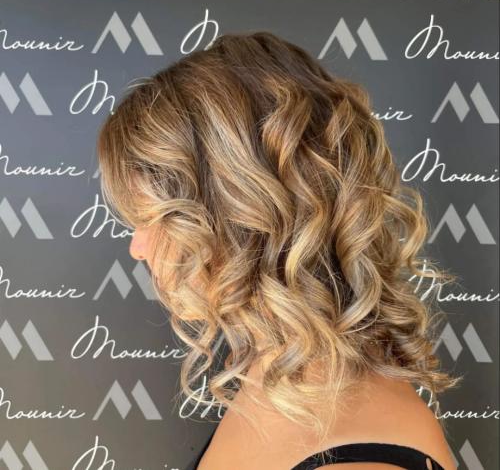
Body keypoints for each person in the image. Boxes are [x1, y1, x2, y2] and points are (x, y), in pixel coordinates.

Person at [96, 31, 462, 469]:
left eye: (153, 218)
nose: (138, 247)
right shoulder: (277, 365)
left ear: (241, 222)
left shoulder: (358, 462)